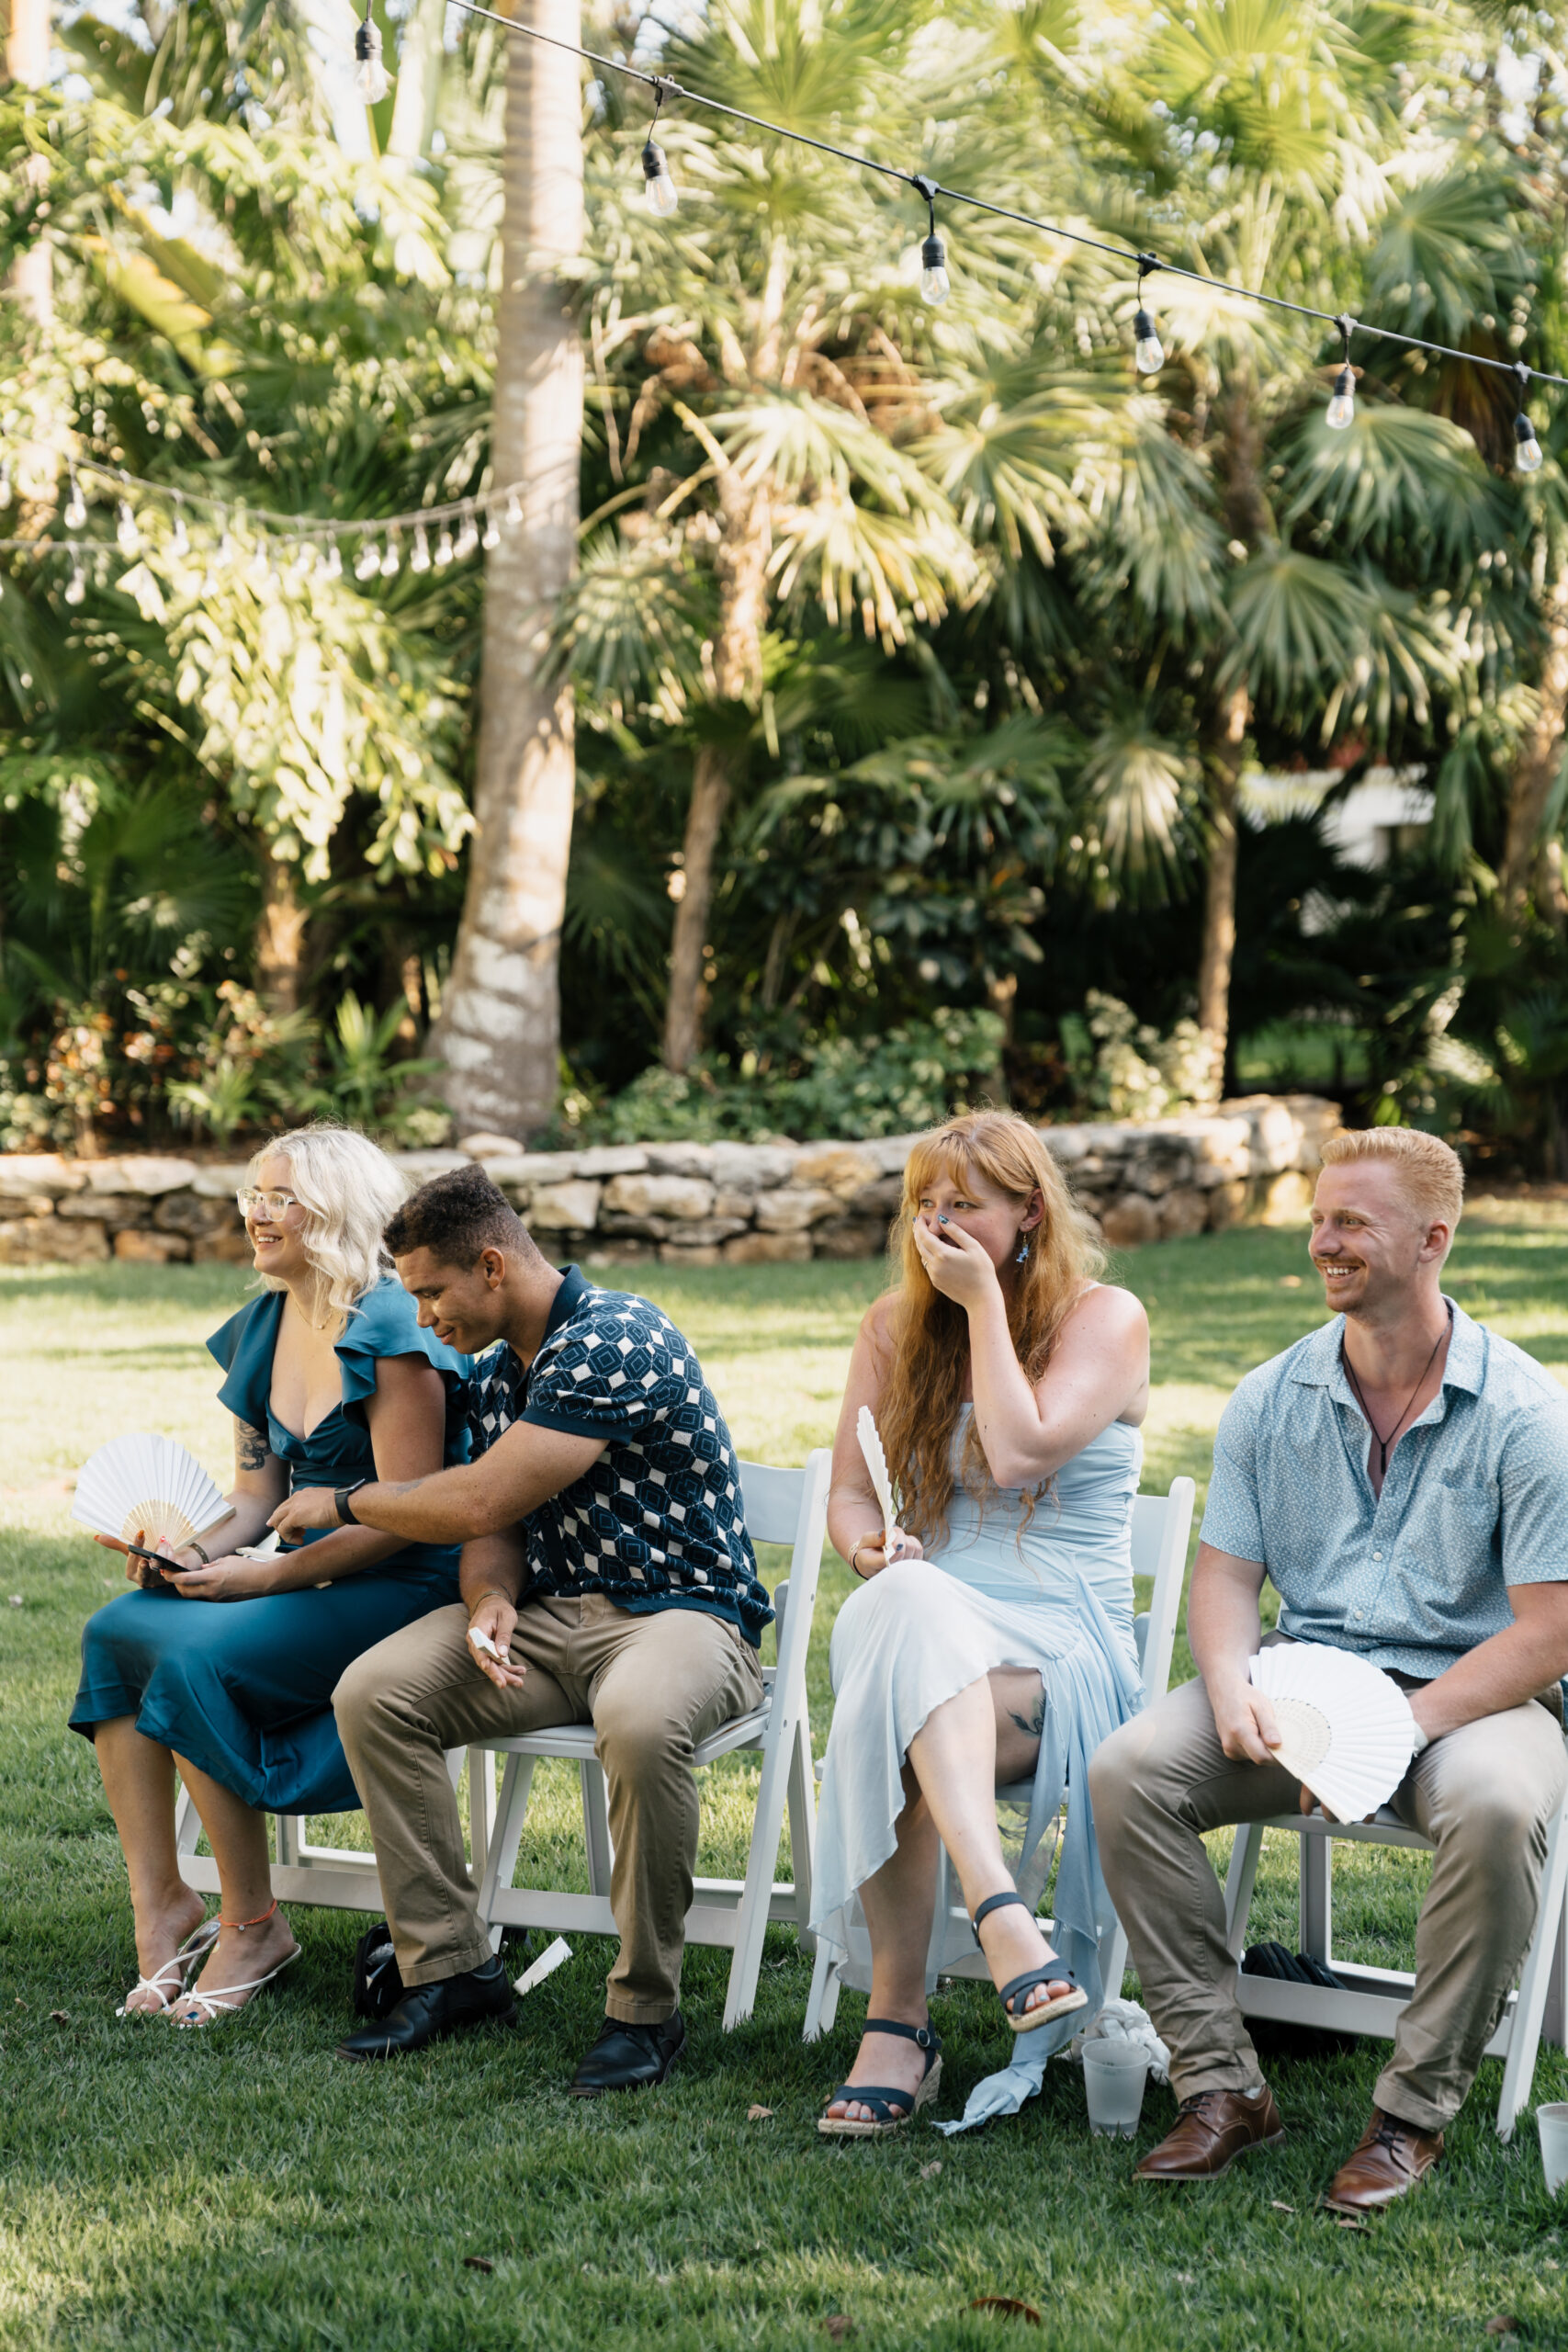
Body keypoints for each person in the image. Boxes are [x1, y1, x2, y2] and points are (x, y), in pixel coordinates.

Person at [1089, 1125, 1568, 2213]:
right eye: (1318, 1217)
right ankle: (1220, 2084)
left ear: (1433, 1239)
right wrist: (1229, 1687)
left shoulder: (1532, 1416)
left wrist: (1413, 1719)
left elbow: (1551, 1630)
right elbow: (1224, 1581)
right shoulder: (1271, 1396)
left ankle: (1410, 2115)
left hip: (1478, 1693)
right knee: (1129, 1769)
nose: (1323, 1240)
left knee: (1496, 1803)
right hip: (1300, 1686)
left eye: (1352, 1220)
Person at [269, 1164, 772, 2094]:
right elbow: (490, 1530)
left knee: (642, 1718)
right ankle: (451, 1968)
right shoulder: (501, 1373)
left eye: (429, 1291)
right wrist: (493, 1598)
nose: (420, 1315)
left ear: (491, 1264)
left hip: (685, 1617)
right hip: (553, 1624)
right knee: (376, 1692)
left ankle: (644, 2011)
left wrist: (344, 1500)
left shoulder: (615, 1336)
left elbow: (485, 1489)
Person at [71, 1125, 473, 2027]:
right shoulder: (267, 1322)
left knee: (197, 1659)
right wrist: (196, 1551)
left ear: (334, 1211)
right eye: (254, 1191)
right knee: (121, 1626)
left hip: (402, 1586)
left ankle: (252, 1925)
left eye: (282, 1196)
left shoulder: (393, 1328)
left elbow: (399, 1517)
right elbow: (258, 1495)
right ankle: (164, 1905)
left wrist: (261, 1582)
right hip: (305, 1570)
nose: (258, 1210)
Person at [812, 1111, 1150, 2136]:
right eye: (926, 1202)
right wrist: (872, 1549)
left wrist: (983, 1313)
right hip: (932, 1620)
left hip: (1060, 1651)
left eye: (966, 1203)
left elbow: (1019, 1452)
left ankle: (898, 2022)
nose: (939, 1221)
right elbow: (849, 1498)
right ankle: (1000, 1912)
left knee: (896, 1692)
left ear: (1028, 1212)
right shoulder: (891, 1326)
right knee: (902, 1604)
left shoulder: (1106, 1318)